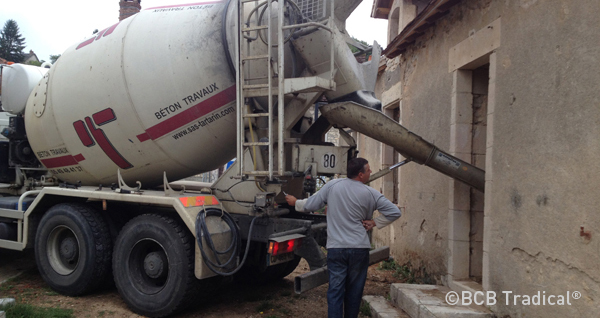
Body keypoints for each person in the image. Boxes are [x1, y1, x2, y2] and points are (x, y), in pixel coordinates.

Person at [285, 157, 401, 318]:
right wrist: (375, 222)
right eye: (368, 170)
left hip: (337, 249)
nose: (371, 172)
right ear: (360, 175)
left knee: (335, 292)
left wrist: (295, 202)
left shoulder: (333, 186)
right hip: (359, 249)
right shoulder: (371, 193)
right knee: (354, 292)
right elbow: (395, 212)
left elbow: (310, 205)